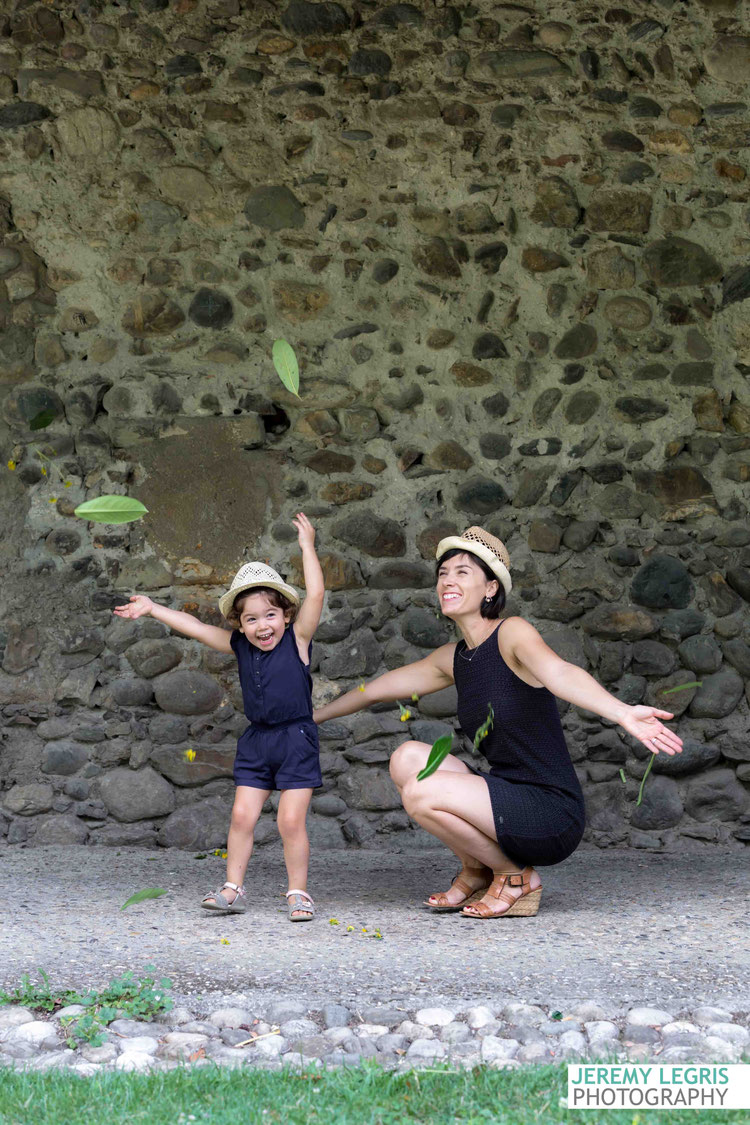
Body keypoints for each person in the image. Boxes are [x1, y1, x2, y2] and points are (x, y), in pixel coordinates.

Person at [313, 525, 683, 919]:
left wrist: (622, 712)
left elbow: (559, 673)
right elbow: (375, 689)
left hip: (549, 811)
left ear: (490, 588)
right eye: (443, 574)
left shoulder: (512, 634)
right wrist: (311, 716)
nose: (447, 581)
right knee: (406, 758)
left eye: (462, 572)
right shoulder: (454, 658)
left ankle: (513, 877)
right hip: (505, 794)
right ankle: (476, 870)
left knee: (422, 794)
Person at [114, 513, 324, 922]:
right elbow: (193, 627)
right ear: (240, 624)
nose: (262, 626)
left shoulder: (298, 640)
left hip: (296, 738)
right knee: (242, 816)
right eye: (251, 619)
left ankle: (298, 892)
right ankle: (233, 889)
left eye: (269, 615)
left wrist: (307, 546)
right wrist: (154, 608)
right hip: (257, 741)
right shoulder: (240, 647)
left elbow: (315, 594)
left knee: (290, 819)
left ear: (285, 615)